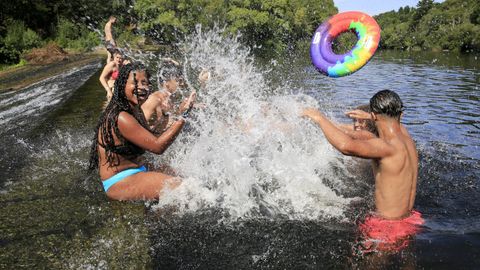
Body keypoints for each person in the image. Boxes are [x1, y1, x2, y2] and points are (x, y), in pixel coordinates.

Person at [302, 90, 423, 252]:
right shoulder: (407, 139)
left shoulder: (387, 147)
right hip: (411, 219)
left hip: (387, 226)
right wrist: (369, 117)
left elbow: (346, 146)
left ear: (374, 116)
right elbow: (395, 123)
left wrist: (319, 118)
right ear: (400, 113)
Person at [89, 63, 196, 201]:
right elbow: (158, 147)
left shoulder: (135, 110)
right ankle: (156, 219)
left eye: (144, 82)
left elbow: (150, 137)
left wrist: (170, 116)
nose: (141, 87)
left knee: (187, 176)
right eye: (135, 82)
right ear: (122, 86)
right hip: (120, 180)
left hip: (140, 168)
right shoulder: (121, 117)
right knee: (184, 189)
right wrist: (183, 117)